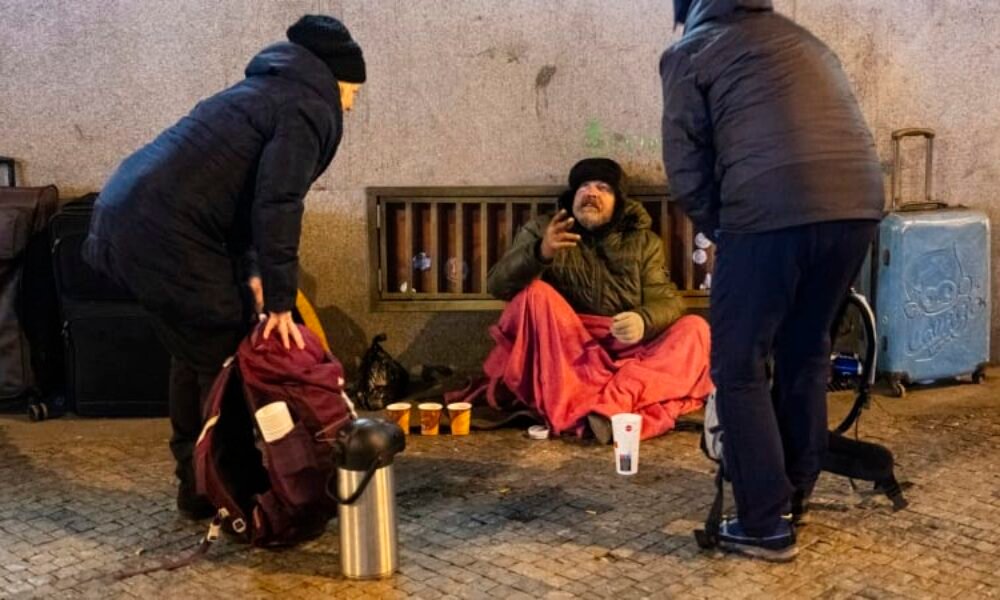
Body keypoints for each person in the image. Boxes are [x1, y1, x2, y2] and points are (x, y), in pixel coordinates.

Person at [83, 15, 365, 519]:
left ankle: (199, 486)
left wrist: (254, 270)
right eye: (352, 93)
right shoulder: (308, 107)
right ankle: (235, 487)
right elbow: (277, 202)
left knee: (194, 351)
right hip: (166, 233)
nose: (350, 105)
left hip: (125, 216)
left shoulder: (261, 91)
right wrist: (280, 298)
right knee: (227, 352)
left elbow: (239, 193)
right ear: (335, 80)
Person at [660, 0, 884, 560]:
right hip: (858, 207)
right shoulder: (807, 41)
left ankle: (763, 521)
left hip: (769, 208)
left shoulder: (691, 50)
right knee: (807, 348)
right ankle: (794, 492)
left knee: (738, 362)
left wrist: (725, 228)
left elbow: (685, 167)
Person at [466, 157, 713, 442]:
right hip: (568, 353)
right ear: (572, 197)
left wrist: (643, 320)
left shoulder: (644, 242)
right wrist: (540, 252)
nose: (591, 193)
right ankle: (604, 404)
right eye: (583, 186)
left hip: (627, 350)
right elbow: (498, 286)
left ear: (618, 201)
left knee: (695, 329)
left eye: (603, 188)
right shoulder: (545, 229)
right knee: (534, 295)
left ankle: (608, 404)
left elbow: (668, 301)